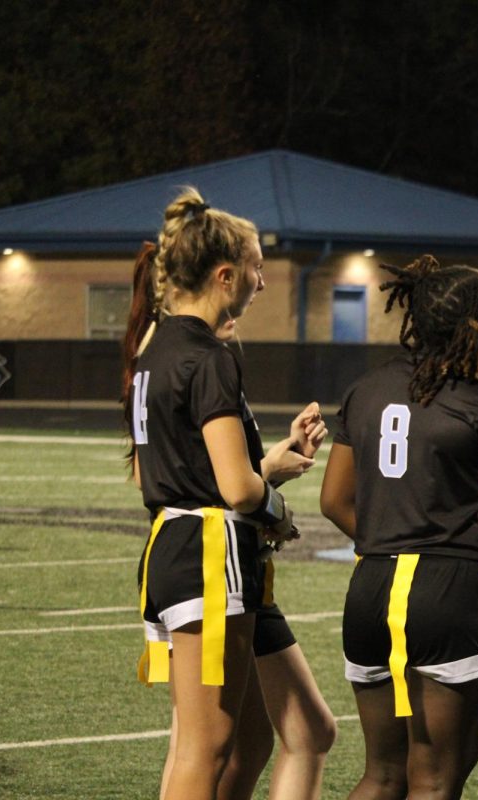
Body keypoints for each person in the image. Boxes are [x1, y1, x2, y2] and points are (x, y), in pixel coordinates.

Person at [123, 224, 338, 800]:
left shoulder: (152, 352)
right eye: (256, 268)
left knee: (253, 739)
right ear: (224, 276)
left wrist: (262, 471)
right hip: (211, 559)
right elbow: (238, 493)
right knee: (205, 747)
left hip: (180, 544)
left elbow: (162, 475)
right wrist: (275, 505)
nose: (262, 282)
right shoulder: (207, 356)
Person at [319, 255, 478, 800]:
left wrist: (393, 538)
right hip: (451, 592)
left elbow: (334, 500)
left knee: (381, 775)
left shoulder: (366, 389)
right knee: (436, 781)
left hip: (371, 588)